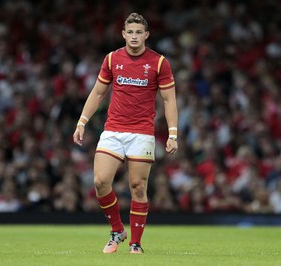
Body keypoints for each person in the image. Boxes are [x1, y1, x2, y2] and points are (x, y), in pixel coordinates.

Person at [73, 13, 178, 254]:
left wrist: (173, 134)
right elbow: (98, 93)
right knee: (100, 182)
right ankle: (118, 230)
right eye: (130, 32)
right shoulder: (111, 59)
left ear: (146, 35)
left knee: (137, 187)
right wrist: (82, 122)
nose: (134, 36)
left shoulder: (159, 62)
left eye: (138, 32)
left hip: (142, 132)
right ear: (123, 34)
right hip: (113, 130)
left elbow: (169, 99)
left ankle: (135, 244)